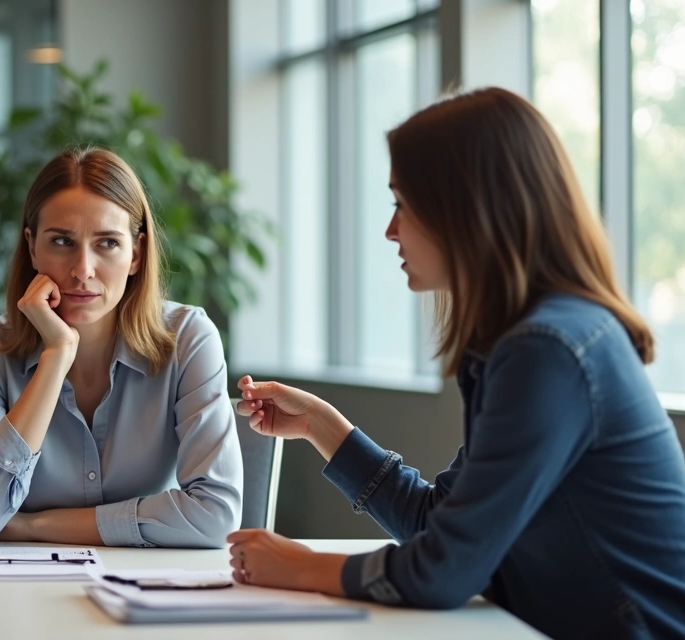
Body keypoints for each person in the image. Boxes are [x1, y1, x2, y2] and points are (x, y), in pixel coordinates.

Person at [227, 87, 685, 639]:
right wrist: (321, 426)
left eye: (402, 203)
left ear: (467, 209)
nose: (390, 230)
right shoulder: (524, 341)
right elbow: (438, 529)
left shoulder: (547, 350)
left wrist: (301, 566)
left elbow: (443, 570)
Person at [0, 147, 243, 549]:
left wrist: (34, 526)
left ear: (136, 254)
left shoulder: (188, 338)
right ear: (32, 248)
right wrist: (56, 357)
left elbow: (215, 516)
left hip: (144, 581)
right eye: (62, 241)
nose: (82, 270)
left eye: (107, 243)